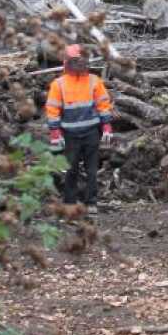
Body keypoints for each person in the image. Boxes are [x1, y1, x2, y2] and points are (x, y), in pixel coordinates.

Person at [46, 44, 113, 214]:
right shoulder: (59, 84)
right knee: (71, 170)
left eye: (81, 61)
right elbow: (52, 109)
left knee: (92, 170)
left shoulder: (93, 81)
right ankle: (69, 203)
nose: (79, 65)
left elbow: (103, 104)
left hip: (91, 132)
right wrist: (55, 132)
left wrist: (106, 126)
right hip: (69, 135)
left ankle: (91, 202)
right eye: (75, 61)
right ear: (67, 62)